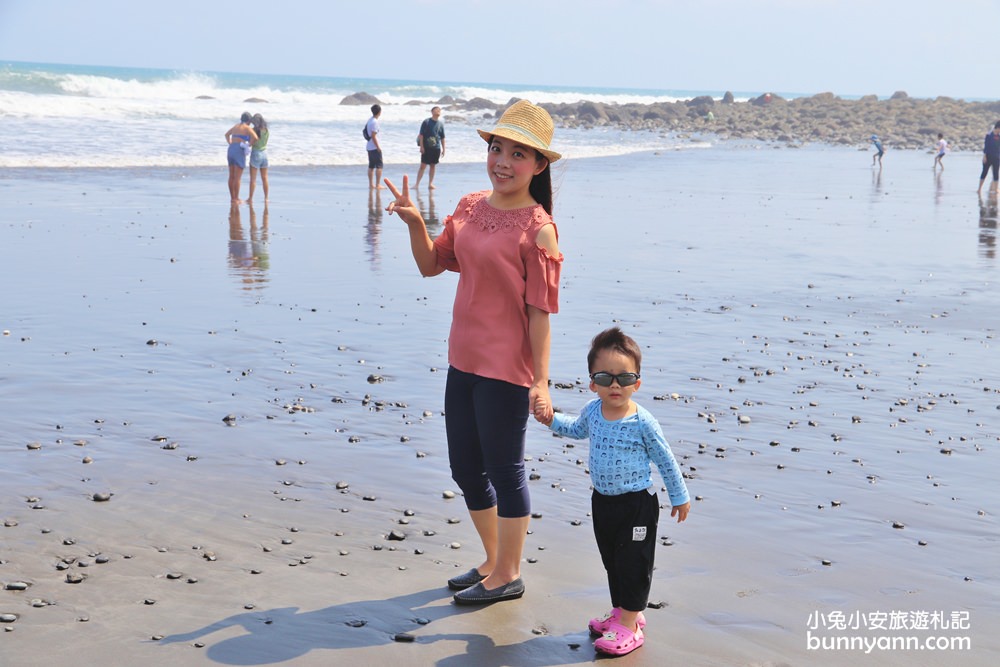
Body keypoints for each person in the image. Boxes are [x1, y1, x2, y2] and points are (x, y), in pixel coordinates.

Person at [384, 100, 562, 605]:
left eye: (518, 154)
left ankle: (508, 574)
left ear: (539, 164)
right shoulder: (468, 207)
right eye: (496, 148)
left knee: (505, 471)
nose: (503, 161)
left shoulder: (539, 229)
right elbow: (431, 266)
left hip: (506, 370)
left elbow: (540, 313)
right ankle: (494, 560)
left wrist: (541, 381)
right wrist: (417, 223)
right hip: (462, 361)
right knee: (465, 469)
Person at [533, 327, 690, 657]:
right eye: (605, 378)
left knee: (634, 562)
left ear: (637, 383)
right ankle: (622, 612)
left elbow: (665, 457)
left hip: (636, 505)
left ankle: (631, 626)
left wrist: (679, 495)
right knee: (613, 560)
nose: (615, 385)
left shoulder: (642, 421)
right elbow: (575, 429)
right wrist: (550, 420)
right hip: (602, 501)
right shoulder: (593, 411)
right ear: (593, 382)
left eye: (624, 377)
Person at [225, 112, 258, 204]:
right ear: (248, 121)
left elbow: (226, 134)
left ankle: (232, 198)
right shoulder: (247, 128)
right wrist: (249, 145)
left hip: (231, 149)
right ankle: (237, 198)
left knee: (231, 176)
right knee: (238, 177)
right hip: (239, 150)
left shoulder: (235, 126)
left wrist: (230, 142)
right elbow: (255, 137)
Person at [415, 106, 446, 189]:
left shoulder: (440, 124)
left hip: (436, 148)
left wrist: (444, 149)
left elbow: (442, 137)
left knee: (433, 166)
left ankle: (430, 184)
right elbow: (421, 135)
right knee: (423, 166)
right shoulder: (426, 122)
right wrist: (421, 147)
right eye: (436, 110)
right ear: (432, 112)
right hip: (426, 147)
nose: (438, 111)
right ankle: (417, 184)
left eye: (439, 110)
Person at [249, 114, 270, 202]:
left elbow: (251, 142)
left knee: (253, 179)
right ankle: (266, 198)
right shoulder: (266, 130)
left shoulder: (254, 130)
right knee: (265, 178)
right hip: (265, 154)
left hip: (256, 153)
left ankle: (250, 198)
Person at [979, 121, 1000, 195]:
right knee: (984, 172)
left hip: (997, 157)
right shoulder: (989, 135)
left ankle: (996, 189)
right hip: (988, 156)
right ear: (997, 128)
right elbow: (986, 146)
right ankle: (979, 189)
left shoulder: (999, 136)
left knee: (996, 173)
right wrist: (984, 156)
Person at [366, 104, 384, 190]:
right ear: (379, 112)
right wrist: (378, 147)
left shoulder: (370, 120)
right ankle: (377, 184)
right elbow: (373, 136)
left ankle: (371, 184)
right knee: (379, 166)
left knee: (371, 166)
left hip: (369, 146)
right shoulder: (375, 122)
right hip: (374, 147)